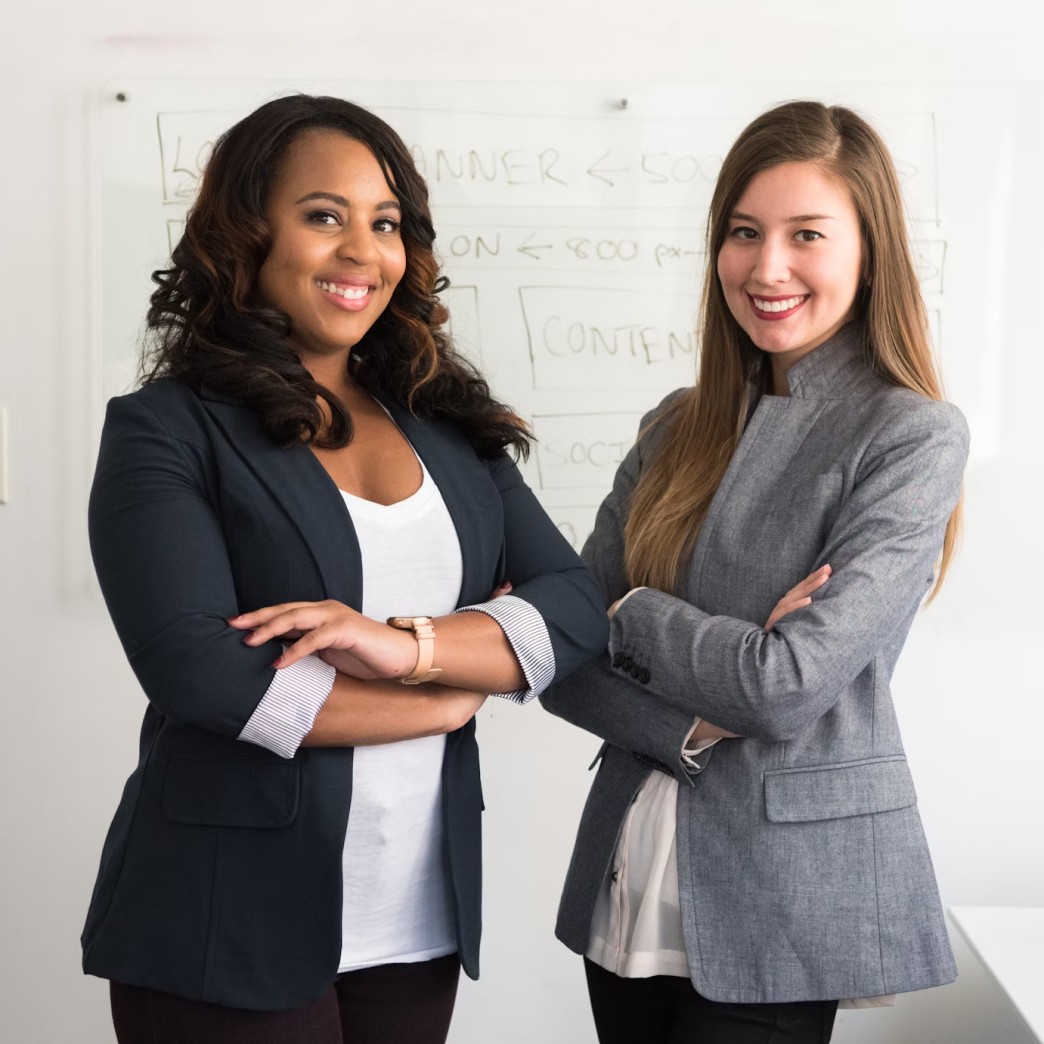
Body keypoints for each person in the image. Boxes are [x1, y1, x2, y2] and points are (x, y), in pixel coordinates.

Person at [82, 94, 607, 1044]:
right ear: (247, 236)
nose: (363, 250)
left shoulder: (449, 427)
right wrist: (448, 696)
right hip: (223, 920)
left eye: (386, 222)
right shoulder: (166, 429)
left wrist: (405, 649)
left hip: (415, 920)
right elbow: (204, 674)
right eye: (325, 216)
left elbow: (573, 609)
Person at [540, 99, 968, 1044]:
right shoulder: (674, 424)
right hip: (628, 875)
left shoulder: (909, 435)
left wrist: (633, 610)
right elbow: (562, 657)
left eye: (805, 234)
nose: (766, 267)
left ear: (870, 250)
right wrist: (688, 719)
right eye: (744, 233)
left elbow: (783, 688)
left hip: (783, 896)